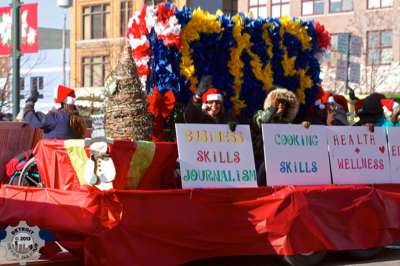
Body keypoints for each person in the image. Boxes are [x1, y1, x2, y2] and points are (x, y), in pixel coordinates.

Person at [252, 87, 300, 186]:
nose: (281, 104)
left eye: (284, 102)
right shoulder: (259, 114)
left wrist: (305, 127)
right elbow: (262, 121)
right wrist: (273, 108)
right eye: (279, 101)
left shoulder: (287, 123)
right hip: (261, 158)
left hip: (281, 160)